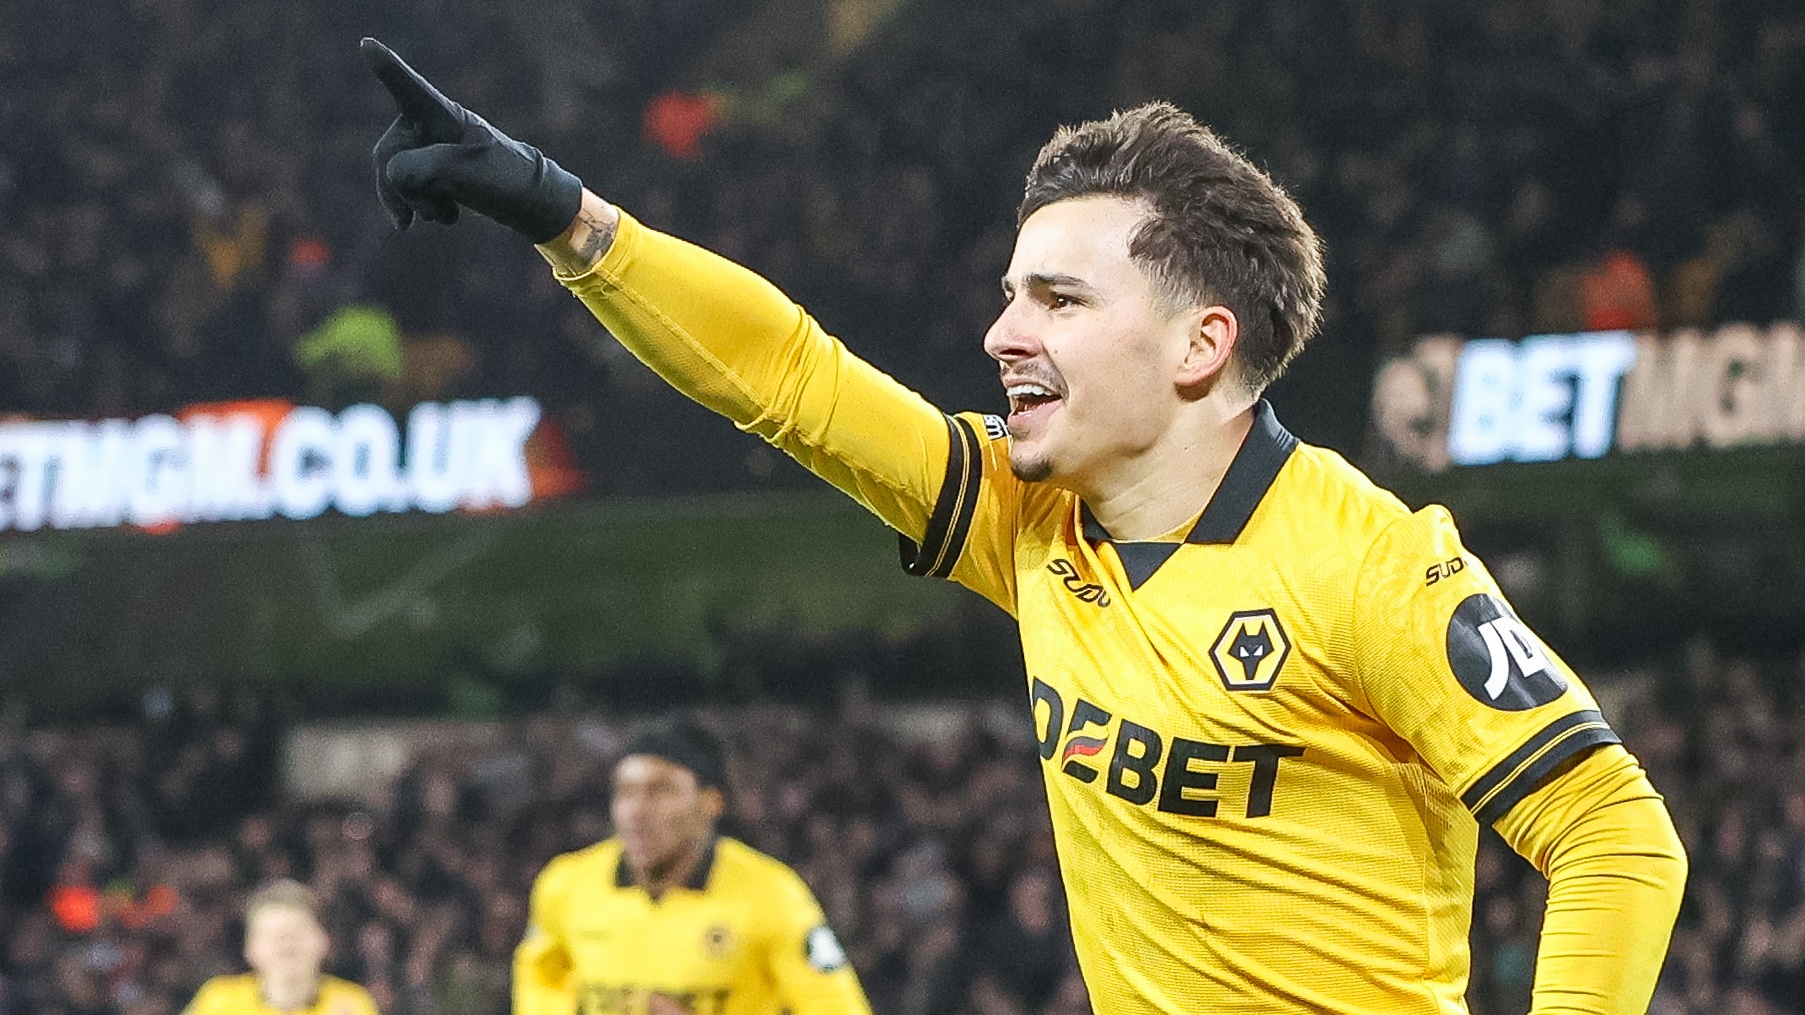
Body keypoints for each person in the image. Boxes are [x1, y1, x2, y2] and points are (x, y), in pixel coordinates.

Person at [362, 38, 1689, 1014]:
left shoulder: (1377, 567)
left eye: (1057, 298)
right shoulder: (1031, 518)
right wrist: (561, 210)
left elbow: (1615, 834)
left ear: (1197, 344)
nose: (1003, 333)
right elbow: (793, 381)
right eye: (1010, 293)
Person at [513, 719, 873, 1015]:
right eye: (625, 792)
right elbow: (542, 979)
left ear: (710, 803)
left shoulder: (771, 893)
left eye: (661, 791)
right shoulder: (567, 884)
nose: (637, 811)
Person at [183, 879, 379, 1015]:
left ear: (323, 941)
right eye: (272, 933)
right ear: (250, 949)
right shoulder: (218, 1002)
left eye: (297, 930)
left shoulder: (352, 1004)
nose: (286, 942)